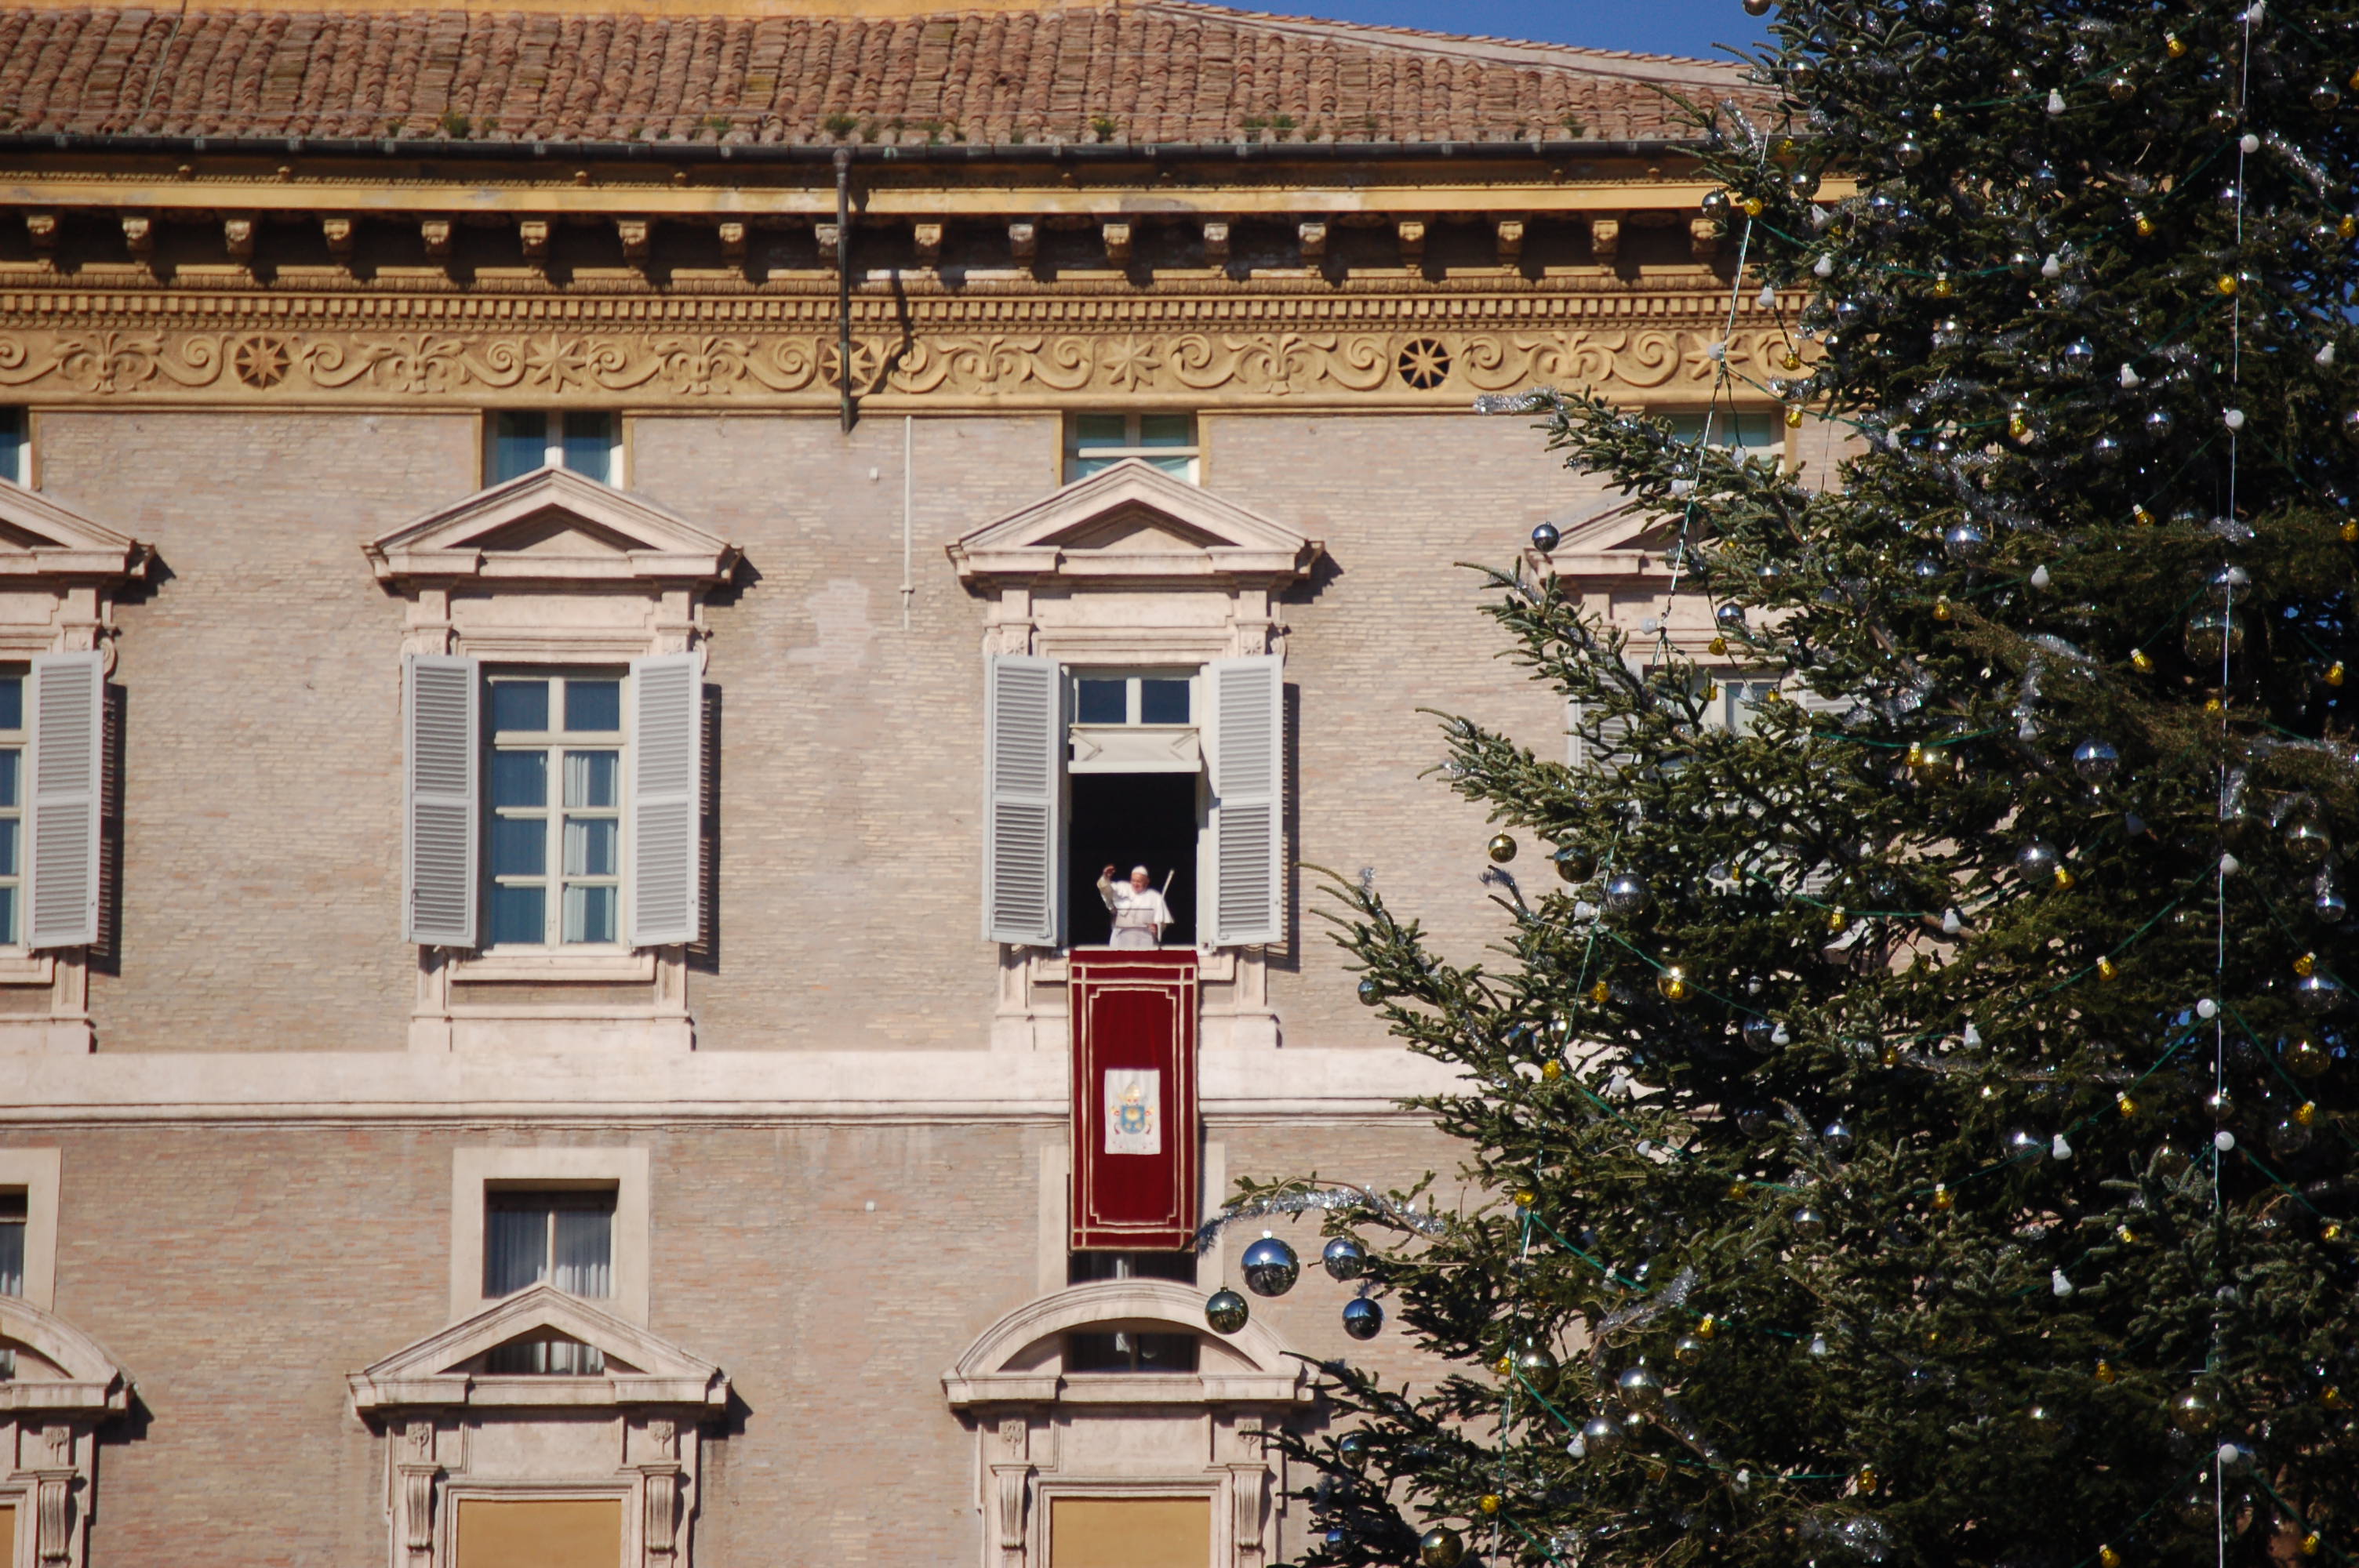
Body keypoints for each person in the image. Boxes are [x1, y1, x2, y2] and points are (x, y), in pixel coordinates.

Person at [1097, 863, 1172, 949]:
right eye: (1133, 880)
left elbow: (1162, 922)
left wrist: (1157, 927)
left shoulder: (1155, 897)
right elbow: (1106, 890)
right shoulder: (1123, 888)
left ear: (1147, 882)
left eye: (1139, 881)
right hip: (1120, 939)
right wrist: (1106, 878)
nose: (1135, 884)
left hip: (1144, 941)